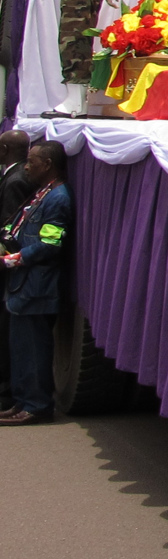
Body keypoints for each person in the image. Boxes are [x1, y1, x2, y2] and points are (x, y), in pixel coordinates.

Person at [2, 140, 71, 426]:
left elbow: (50, 244)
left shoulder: (58, 198)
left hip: (37, 289)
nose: (27, 167)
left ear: (48, 165)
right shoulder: (42, 193)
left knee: (33, 352)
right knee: (20, 350)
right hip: (22, 288)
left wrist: (11, 260)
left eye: (32, 162)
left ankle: (37, 406)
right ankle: (21, 402)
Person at [0, 130, 30, 414]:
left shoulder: (16, 180)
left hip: (9, 269)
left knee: (5, 331)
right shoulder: (14, 176)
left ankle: (6, 392)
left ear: (5, 149)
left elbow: (11, 231)